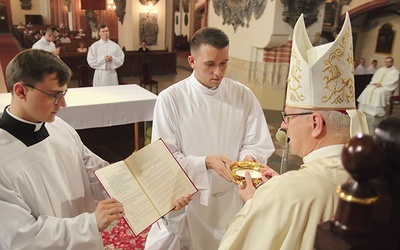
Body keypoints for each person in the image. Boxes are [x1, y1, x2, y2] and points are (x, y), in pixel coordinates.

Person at [0, 49, 191, 249]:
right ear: (21, 91)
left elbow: (97, 173)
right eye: (55, 95)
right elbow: (22, 238)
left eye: (64, 93)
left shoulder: (59, 127)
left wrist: (152, 185)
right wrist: (91, 223)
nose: (63, 104)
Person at [219, 12, 369, 250]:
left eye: (288, 117)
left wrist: (252, 204)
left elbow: (235, 245)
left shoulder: (286, 192)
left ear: (316, 124)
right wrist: (281, 189)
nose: (283, 126)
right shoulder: (365, 173)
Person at [144, 27, 275, 250]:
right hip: (190, 201)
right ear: (192, 61)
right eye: (210, 64)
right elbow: (166, 157)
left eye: (224, 63)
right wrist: (205, 162)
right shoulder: (170, 99)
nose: (219, 72)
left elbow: (255, 142)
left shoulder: (242, 95)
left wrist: (247, 161)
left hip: (231, 198)